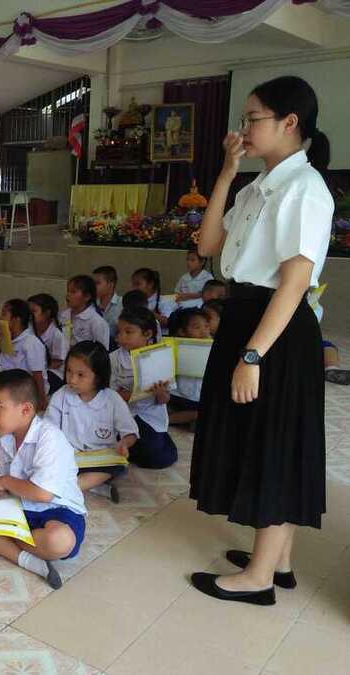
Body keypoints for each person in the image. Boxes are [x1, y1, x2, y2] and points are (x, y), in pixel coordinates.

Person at [190, 76, 334, 606]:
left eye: (253, 118)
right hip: (246, 315)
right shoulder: (259, 186)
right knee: (260, 437)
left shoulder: (304, 188)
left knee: (274, 443)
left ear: (289, 122)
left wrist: (253, 354)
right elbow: (209, 244)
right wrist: (227, 174)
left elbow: (295, 283)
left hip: (277, 330)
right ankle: (280, 561)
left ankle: (258, 579)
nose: (243, 129)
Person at [0, 369, 87, 590]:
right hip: (20, 509)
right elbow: (8, 488)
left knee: (59, 540)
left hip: (58, 510)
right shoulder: (6, 440)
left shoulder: (50, 437)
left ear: (25, 410)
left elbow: (43, 494)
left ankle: (0, 540)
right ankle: (30, 562)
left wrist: (4, 482)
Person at [47, 341, 138, 504]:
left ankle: (68, 488)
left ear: (98, 377)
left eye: (81, 375)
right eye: (69, 371)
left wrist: (124, 443)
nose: (72, 379)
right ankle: (93, 487)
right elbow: (49, 429)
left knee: (117, 466)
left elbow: (130, 432)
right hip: (69, 456)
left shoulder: (112, 399)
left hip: (100, 458)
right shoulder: (60, 396)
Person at [111, 308, 178, 469]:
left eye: (129, 332)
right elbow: (111, 395)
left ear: (147, 334)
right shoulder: (113, 358)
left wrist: (159, 393)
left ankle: (158, 442)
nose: (122, 337)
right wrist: (135, 394)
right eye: (120, 332)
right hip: (124, 414)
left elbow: (164, 400)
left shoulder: (160, 356)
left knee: (156, 457)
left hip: (149, 416)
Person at [0, 298, 49, 411]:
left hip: (27, 390)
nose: (0, 317)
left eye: (4, 314)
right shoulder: (7, 338)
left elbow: (37, 374)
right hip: (11, 385)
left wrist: (41, 399)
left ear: (16, 320)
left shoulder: (30, 342)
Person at [167, 308, 212, 426]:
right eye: (197, 327)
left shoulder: (213, 345)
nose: (204, 332)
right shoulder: (174, 347)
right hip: (178, 396)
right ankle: (166, 420)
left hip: (200, 398)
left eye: (206, 326)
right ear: (182, 331)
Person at [28, 293, 68, 396]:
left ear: (47, 313)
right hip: (35, 368)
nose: (30, 315)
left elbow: (58, 361)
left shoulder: (57, 335)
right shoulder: (29, 329)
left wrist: (39, 367)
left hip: (54, 372)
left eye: (34, 311)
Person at [59, 275, 110, 348]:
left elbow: (102, 350)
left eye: (73, 292)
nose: (67, 295)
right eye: (68, 291)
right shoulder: (63, 315)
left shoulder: (97, 322)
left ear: (87, 296)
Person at [93, 266, 122, 347]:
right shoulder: (90, 304)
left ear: (110, 285)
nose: (93, 287)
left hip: (115, 347)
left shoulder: (122, 304)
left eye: (97, 283)